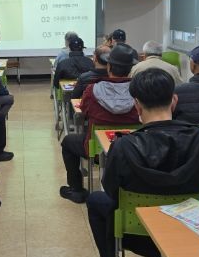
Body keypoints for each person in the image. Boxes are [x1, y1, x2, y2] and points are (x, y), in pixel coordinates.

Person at [87, 69, 199, 257]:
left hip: (135, 234)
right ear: (174, 100)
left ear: (136, 105)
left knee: (96, 201)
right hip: (190, 230)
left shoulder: (122, 147)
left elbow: (111, 190)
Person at [59, 43, 140, 203]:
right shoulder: (139, 91)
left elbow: (83, 111)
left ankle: (76, 189)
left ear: (109, 67)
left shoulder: (92, 90)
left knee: (68, 142)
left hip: (95, 147)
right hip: (134, 147)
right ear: (131, 69)